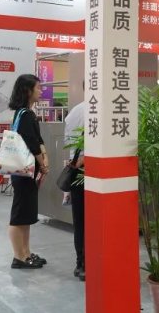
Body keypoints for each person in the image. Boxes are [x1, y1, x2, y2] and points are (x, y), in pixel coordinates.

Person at [8, 74, 50, 269]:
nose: (41, 91)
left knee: (26, 215)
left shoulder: (24, 113)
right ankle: (19, 257)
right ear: (27, 91)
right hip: (24, 172)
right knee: (19, 215)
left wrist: (44, 159)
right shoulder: (25, 114)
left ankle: (26, 252)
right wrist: (43, 163)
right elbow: (32, 143)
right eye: (38, 88)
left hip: (26, 172)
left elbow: (38, 140)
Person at [64, 97, 85, 281]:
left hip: (75, 170)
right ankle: (88, 262)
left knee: (80, 220)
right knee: (93, 220)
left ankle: (81, 263)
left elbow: (69, 145)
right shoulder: (100, 111)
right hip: (91, 169)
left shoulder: (74, 112)